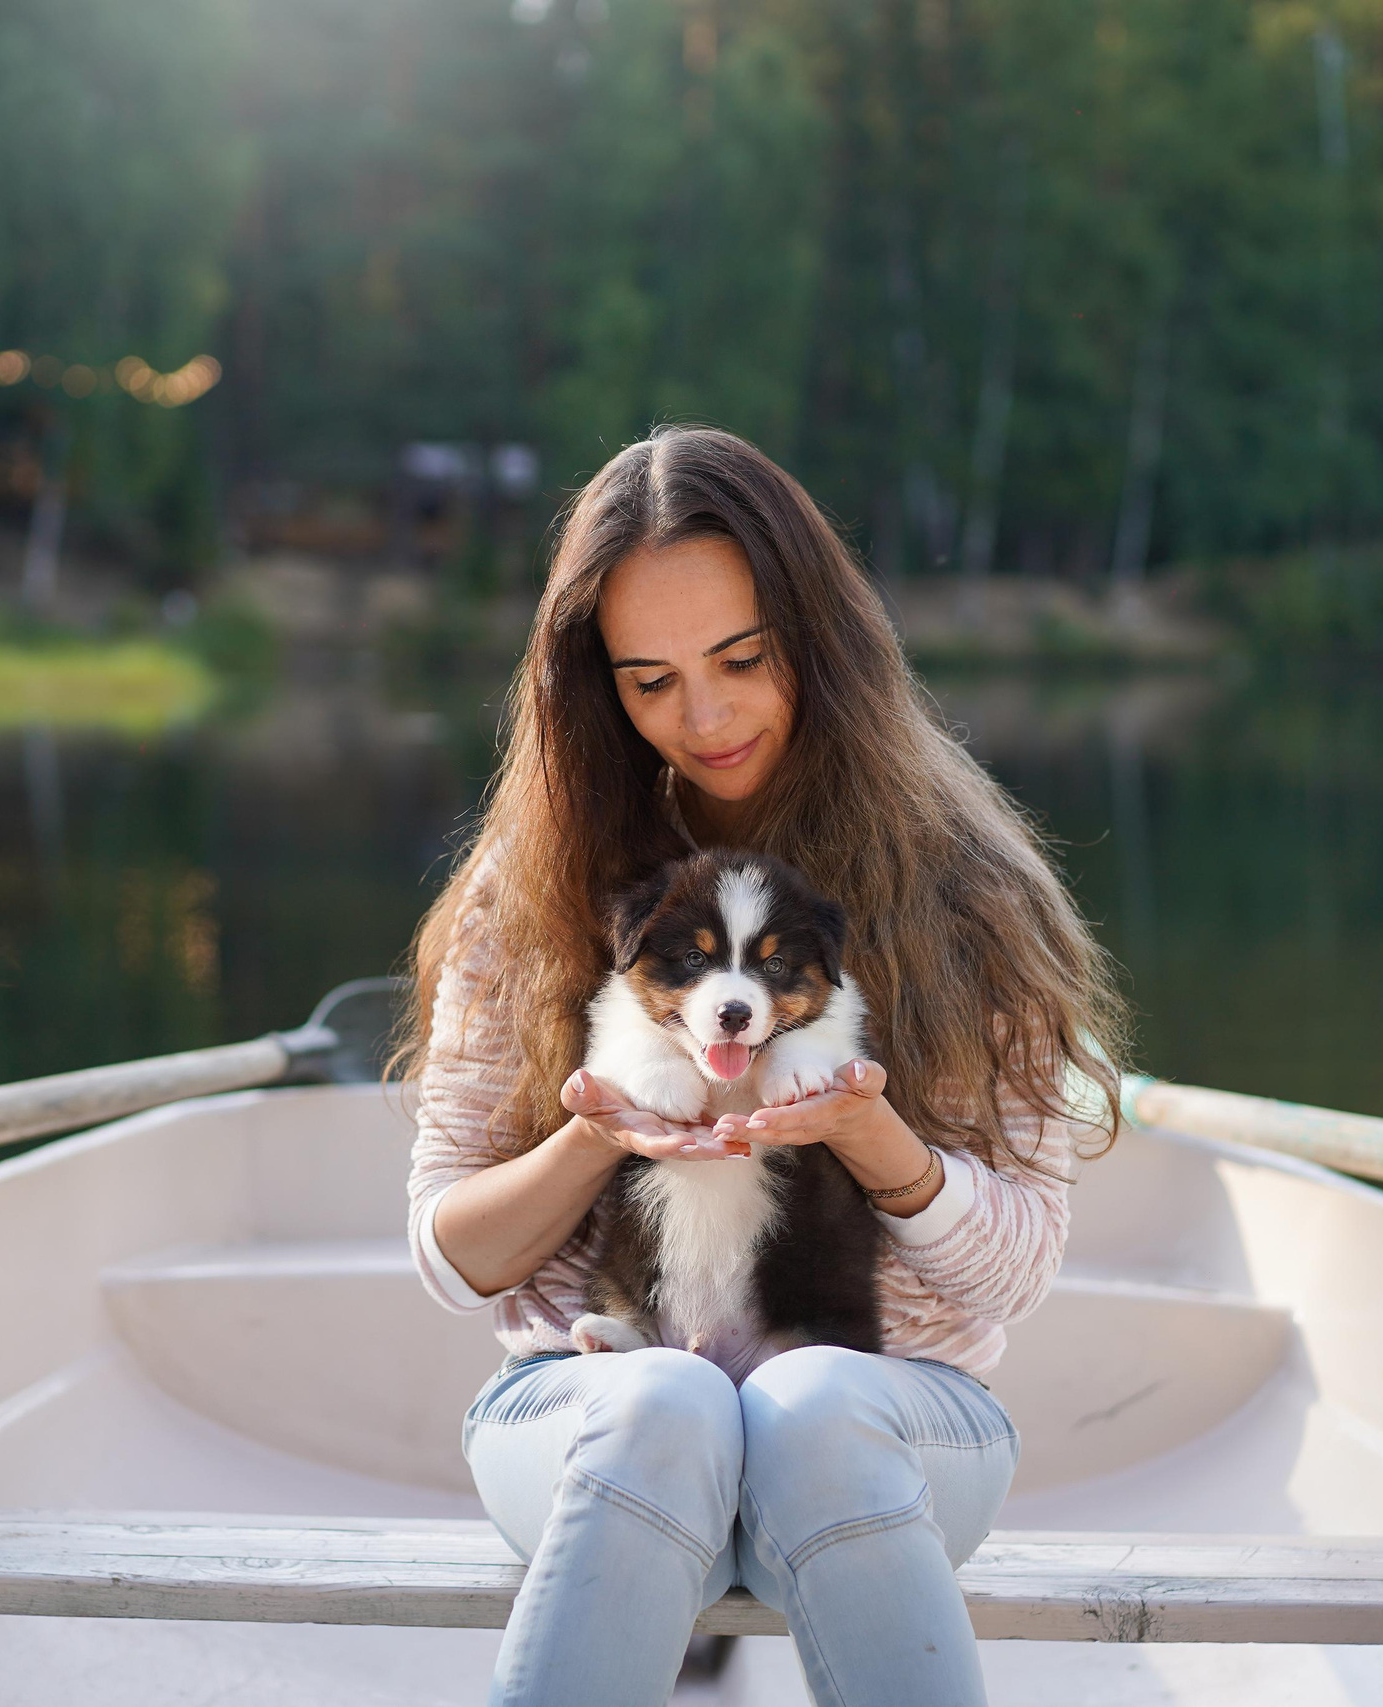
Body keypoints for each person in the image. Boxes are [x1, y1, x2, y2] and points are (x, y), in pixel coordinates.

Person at [398, 425, 1126, 1707]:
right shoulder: (529, 892)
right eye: (648, 679)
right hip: (587, 1420)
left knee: (811, 1408)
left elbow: (1016, 1268)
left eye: (743, 657)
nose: (706, 716)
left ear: (822, 639)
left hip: (895, 1429)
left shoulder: (968, 893)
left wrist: (866, 1136)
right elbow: (451, 1259)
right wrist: (595, 1137)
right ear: (594, 689)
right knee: (663, 1404)